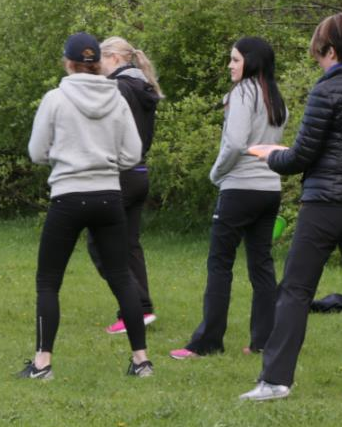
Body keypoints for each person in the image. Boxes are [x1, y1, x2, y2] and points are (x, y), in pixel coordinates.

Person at [240, 13, 342, 401]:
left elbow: (301, 158)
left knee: (294, 289)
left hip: (324, 205)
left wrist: (269, 155)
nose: (317, 56)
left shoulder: (326, 92)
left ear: (331, 51)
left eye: (319, 49)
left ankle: (274, 381)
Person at [17, 33, 151, 381]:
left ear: (68, 62)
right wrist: (107, 163)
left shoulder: (56, 99)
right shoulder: (118, 97)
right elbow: (132, 153)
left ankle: (43, 363)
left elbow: (36, 152)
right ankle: (141, 361)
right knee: (122, 277)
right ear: (97, 63)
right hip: (108, 195)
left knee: (48, 282)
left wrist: (64, 159)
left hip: (68, 195)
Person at [171, 37, 287, 360]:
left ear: (250, 62)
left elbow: (235, 143)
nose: (230, 65)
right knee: (261, 265)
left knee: (220, 264)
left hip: (239, 188)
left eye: (235, 60)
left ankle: (207, 342)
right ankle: (263, 341)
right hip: (269, 190)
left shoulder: (242, 93)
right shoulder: (276, 99)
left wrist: (215, 173)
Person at [89, 37, 163, 334]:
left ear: (115, 58)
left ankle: (132, 308)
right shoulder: (144, 86)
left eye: (101, 60)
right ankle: (142, 308)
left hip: (118, 173)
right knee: (129, 244)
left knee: (100, 243)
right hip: (139, 171)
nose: (97, 67)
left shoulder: (119, 88)